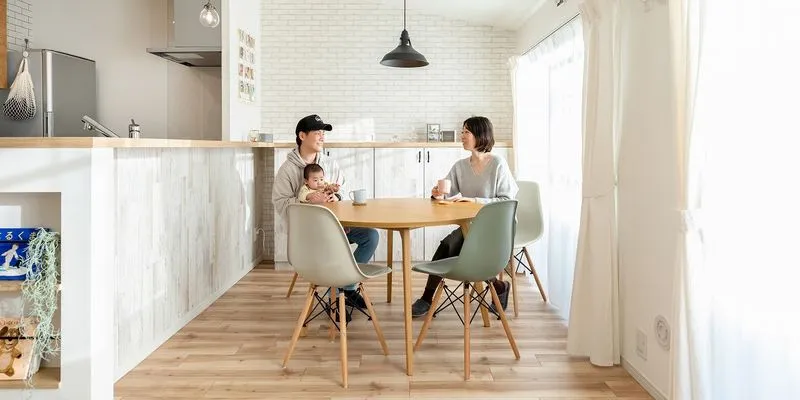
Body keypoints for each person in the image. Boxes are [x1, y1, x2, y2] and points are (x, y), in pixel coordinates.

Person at [411, 116, 519, 317]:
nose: (461, 136)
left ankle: (497, 286)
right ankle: (427, 298)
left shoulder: (498, 164)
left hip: (497, 227)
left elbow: (507, 200)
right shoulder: (460, 166)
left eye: (466, 132)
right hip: (472, 226)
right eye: (462, 132)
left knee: (464, 249)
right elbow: (447, 192)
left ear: (480, 135)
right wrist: (438, 194)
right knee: (448, 245)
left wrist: (474, 201)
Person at [272, 114, 379, 309]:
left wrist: (336, 197)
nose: (322, 137)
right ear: (302, 136)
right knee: (336, 244)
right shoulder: (287, 170)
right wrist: (308, 201)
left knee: (371, 236)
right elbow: (280, 204)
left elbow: (343, 192)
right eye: (317, 132)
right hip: (309, 233)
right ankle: (339, 296)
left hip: (336, 226)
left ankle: (346, 289)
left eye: (323, 133)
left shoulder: (330, 164)